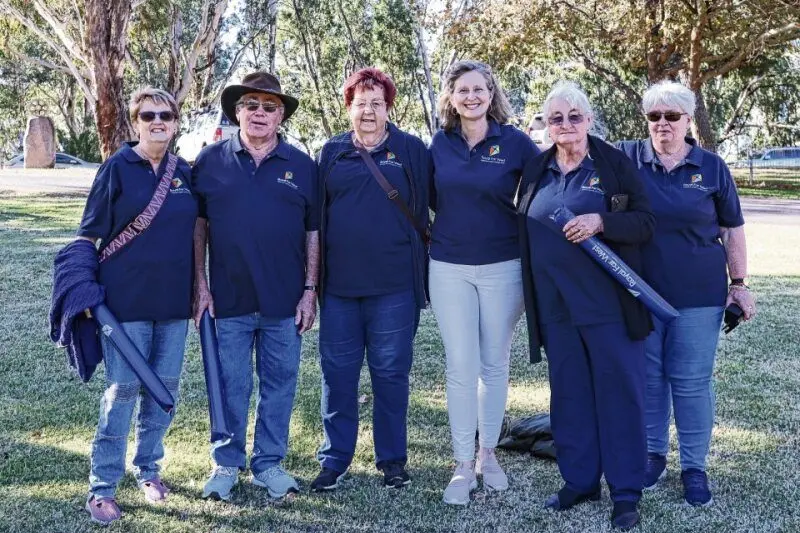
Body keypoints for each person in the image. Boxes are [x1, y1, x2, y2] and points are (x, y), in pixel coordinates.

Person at [518, 81, 654, 530]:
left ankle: (626, 491)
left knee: (620, 395)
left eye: (575, 116)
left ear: (589, 120)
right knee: (570, 395)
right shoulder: (536, 168)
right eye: (556, 118)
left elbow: (645, 222)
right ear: (546, 124)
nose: (566, 125)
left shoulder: (613, 164)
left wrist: (603, 221)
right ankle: (579, 481)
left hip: (609, 306)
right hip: (555, 308)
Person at [617, 80, 755, 507]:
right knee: (652, 382)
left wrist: (739, 285)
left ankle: (694, 467)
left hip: (698, 296)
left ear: (688, 120)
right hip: (641, 293)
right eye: (654, 116)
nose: (662, 124)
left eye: (672, 116)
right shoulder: (626, 159)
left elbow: (732, 228)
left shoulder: (712, 168)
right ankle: (654, 456)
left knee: (692, 384)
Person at [192, 72, 319, 501]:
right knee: (230, 386)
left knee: (279, 385)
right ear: (237, 111)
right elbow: (198, 229)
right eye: (251, 104)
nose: (259, 113)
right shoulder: (209, 161)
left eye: (269, 106)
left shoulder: (302, 165)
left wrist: (309, 289)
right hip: (228, 300)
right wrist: (201, 286)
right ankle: (226, 464)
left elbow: (313, 232)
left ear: (280, 114)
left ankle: (269, 463)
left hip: (285, 302)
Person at [76, 88, 196, 525]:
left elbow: (199, 232)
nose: (157, 121)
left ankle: (148, 471)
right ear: (136, 122)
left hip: (174, 304)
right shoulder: (116, 168)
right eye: (148, 115)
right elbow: (88, 235)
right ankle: (102, 487)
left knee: (163, 392)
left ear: (177, 121)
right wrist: (85, 293)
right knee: (122, 392)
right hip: (124, 304)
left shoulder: (185, 172)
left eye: (166, 115)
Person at [311, 67, 431, 492]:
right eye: (360, 103)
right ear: (349, 107)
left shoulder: (411, 149)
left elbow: (435, 203)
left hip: (395, 287)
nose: (368, 111)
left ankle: (392, 460)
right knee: (337, 376)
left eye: (376, 103)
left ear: (388, 108)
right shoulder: (332, 153)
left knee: (391, 374)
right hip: (340, 289)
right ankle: (335, 459)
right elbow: (315, 218)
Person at [428, 60, 540, 505]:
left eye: (480, 89)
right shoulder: (438, 144)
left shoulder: (515, 143)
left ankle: (487, 454)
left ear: (492, 95)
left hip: (503, 265)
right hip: (449, 266)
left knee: (493, 364)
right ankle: (460, 463)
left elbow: (546, 190)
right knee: (460, 366)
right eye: (463, 90)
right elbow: (430, 199)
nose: (472, 97)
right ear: (451, 98)